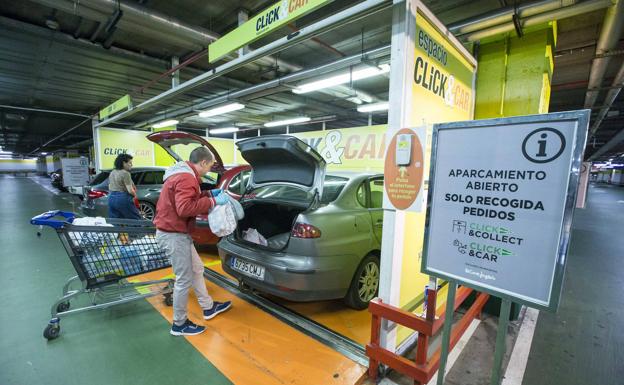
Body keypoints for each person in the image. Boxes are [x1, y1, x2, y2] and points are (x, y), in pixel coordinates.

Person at [154, 146, 232, 336]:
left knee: (197, 269)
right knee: (184, 279)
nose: (209, 171)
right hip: (173, 235)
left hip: (177, 232)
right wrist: (213, 202)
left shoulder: (184, 174)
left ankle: (208, 307)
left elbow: (190, 198)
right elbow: (185, 208)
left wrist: (210, 194)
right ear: (203, 162)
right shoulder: (186, 177)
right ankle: (179, 324)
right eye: (210, 167)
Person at [108, 154, 142, 220]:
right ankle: (136, 230)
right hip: (122, 198)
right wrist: (135, 196)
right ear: (124, 163)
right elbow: (130, 190)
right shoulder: (125, 173)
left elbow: (109, 186)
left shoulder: (112, 172)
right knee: (135, 220)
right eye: (130, 163)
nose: (131, 165)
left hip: (111, 198)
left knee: (116, 221)